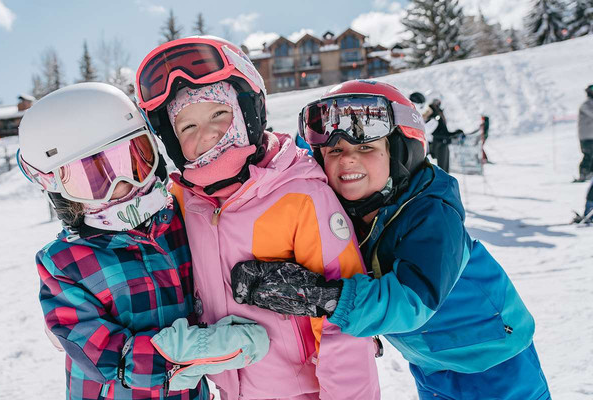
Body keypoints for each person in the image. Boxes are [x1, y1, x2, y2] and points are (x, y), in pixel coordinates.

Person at [231, 80, 551, 400]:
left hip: (496, 360)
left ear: (399, 152)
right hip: (430, 365)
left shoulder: (432, 214)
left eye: (366, 148)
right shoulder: (346, 219)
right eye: (335, 150)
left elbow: (410, 300)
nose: (347, 160)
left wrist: (317, 297)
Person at [135, 36, 380, 400]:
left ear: (249, 112)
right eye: (187, 127)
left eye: (220, 113)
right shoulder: (184, 203)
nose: (206, 135)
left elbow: (345, 321)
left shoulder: (300, 196)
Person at [18, 82, 269, 400]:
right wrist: (186, 353)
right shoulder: (64, 263)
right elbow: (99, 351)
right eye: (93, 179)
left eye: (132, 162)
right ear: (58, 189)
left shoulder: (178, 219)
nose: (121, 187)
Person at [423, 98, 454, 172]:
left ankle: (444, 180)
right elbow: (428, 130)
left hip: (443, 141)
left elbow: (443, 130)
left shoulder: (439, 112)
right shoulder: (432, 112)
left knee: (444, 166)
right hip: (437, 142)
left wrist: (452, 134)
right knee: (442, 167)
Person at [576, 84, 593, 182]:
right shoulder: (586, 105)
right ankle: (584, 173)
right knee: (588, 153)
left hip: (590, 134)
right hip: (587, 136)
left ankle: (590, 173)